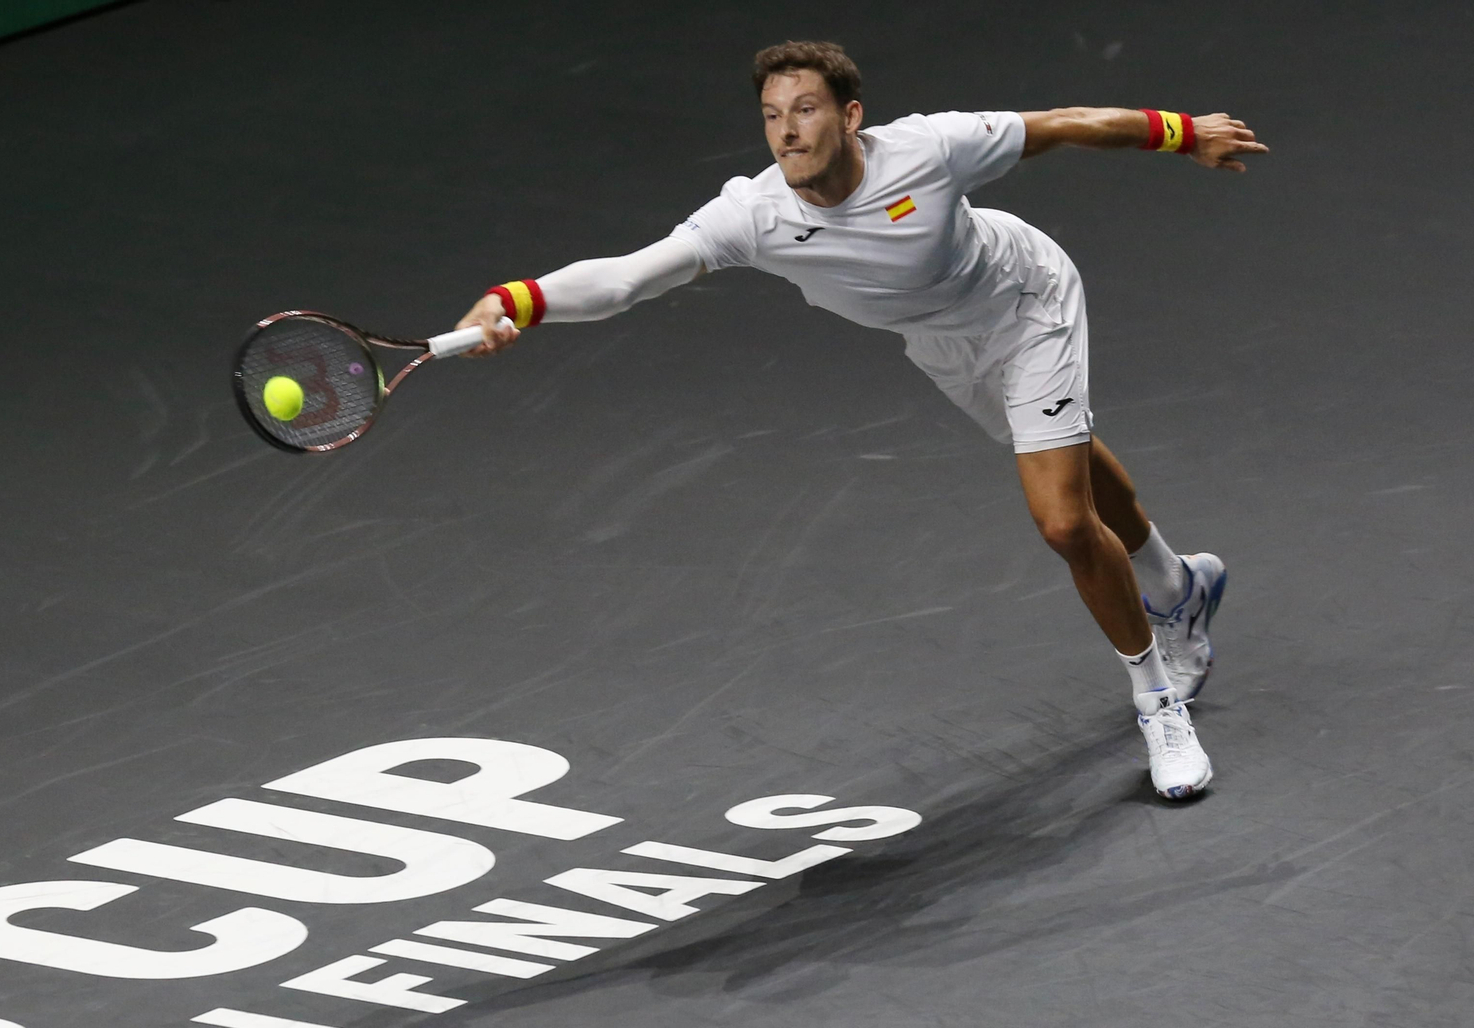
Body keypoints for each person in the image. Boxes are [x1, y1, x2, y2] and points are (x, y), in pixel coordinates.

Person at [454, 40, 1267, 800]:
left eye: (804, 110)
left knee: (1060, 520)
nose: (786, 132)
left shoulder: (927, 149)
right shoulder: (754, 215)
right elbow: (626, 280)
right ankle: (1175, 582)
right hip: (945, 347)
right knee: (1069, 456)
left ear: (849, 117)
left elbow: (1058, 127)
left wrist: (1182, 132)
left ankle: (1157, 700)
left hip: (1028, 305)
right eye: (772, 116)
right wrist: (516, 303)